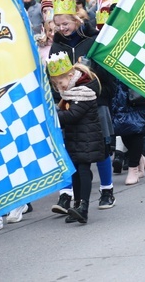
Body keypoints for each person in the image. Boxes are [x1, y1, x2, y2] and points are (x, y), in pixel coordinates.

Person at [49, 0, 117, 211]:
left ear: (76, 20)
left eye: (65, 23)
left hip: (95, 101)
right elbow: (53, 76)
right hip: (69, 104)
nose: (61, 28)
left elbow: (105, 74)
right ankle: (68, 195)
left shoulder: (92, 42)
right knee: (72, 149)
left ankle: (107, 190)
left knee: (102, 147)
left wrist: (101, 95)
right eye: (57, 24)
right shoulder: (57, 46)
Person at [48, 52, 106, 223]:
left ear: (71, 75)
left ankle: (84, 207)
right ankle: (77, 204)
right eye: (56, 85)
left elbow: (72, 116)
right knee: (76, 173)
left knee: (83, 171)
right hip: (76, 139)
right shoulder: (70, 93)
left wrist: (52, 117)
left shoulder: (84, 92)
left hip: (87, 139)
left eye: (61, 82)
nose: (60, 87)